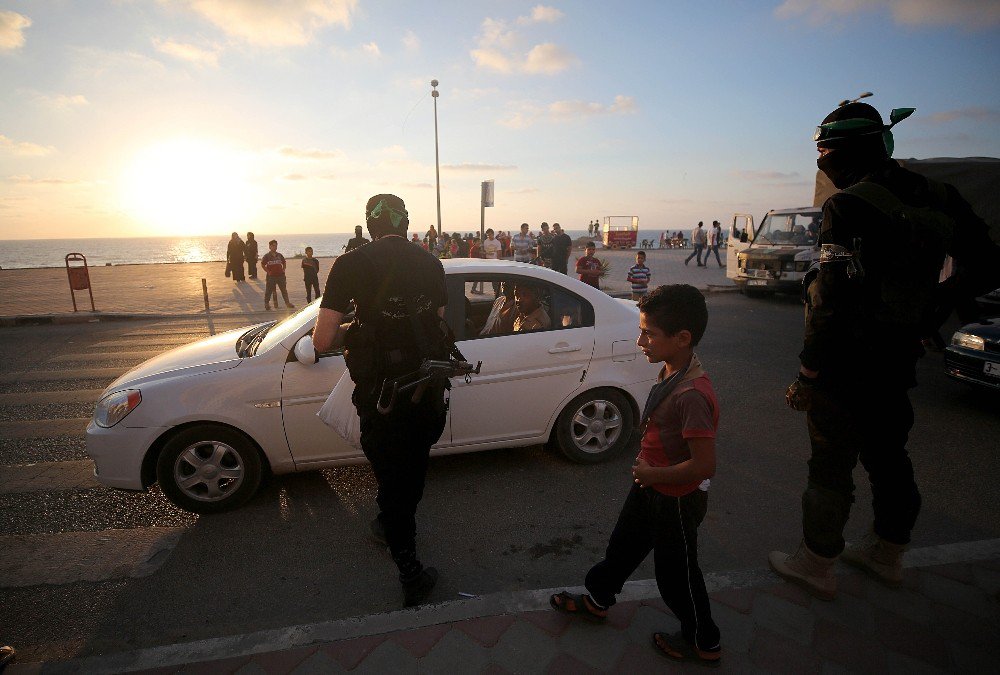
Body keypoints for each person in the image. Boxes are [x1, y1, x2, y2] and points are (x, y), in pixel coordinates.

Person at [770, 98, 1000, 600]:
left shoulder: (848, 204)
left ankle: (817, 562)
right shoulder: (939, 195)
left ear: (849, 149)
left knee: (831, 465)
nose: (821, 160)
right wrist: (931, 313)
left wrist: (807, 373)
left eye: (824, 149)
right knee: (889, 456)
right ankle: (886, 554)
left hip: (844, 363)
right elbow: (986, 264)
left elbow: (829, 299)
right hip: (898, 358)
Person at [549, 284, 721, 667]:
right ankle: (598, 598)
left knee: (678, 575)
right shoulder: (673, 370)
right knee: (623, 547)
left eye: (648, 333)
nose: (640, 340)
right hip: (651, 483)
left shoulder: (692, 394)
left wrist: (654, 473)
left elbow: (704, 465)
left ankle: (703, 639)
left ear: (682, 338)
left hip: (674, 498)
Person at [312, 193, 452, 608]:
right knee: (411, 470)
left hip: (382, 394)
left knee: (394, 477)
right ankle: (387, 522)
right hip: (427, 388)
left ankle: (409, 572)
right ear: (406, 222)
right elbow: (437, 324)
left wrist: (358, 331)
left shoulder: (350, 263)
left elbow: (322, 340)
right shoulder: (431, 263)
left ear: (368, 224)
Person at [261, 239, 295, 310]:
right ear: (269, 246)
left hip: (281, 276)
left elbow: (284, 262)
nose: (275, 247)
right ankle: (266, 304)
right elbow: (262, 264)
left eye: (276, 246)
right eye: (273, 246)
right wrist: (268, 271)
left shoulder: (279, 255)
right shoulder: (267, 256)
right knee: (268, 291)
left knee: (284, 290)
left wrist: (283, 269)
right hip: (271, 276)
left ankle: (287, 303)